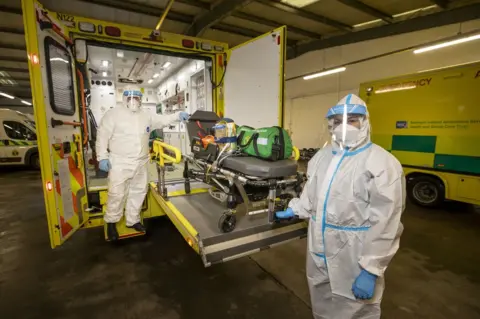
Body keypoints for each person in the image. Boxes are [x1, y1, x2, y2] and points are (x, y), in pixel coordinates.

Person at [276, 93, 405, 319]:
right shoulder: (322, 157)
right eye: (337, 121)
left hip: (354, 255)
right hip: (318, 249)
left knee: (356, 309)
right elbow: (312, 194)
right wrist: (296, 208)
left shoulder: (382, 163)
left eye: (352, 120)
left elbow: (387, 221)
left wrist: (371, 269)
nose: (344, 126)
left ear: (365, 122)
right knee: (322, 303)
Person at [96, 86, 190, 241]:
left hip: (141, 161)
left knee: (139, 192)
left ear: (141, 98)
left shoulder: (146, 115)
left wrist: (178, 115)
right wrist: (102, 157)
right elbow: (102, 136)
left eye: (137, 97)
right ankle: (111, 223)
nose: (133, 100)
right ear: (124, 98)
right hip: (120, 162)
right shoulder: (113, 115)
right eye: (130, 97)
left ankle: (132, 220)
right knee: (116, 194)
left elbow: (162, 120)